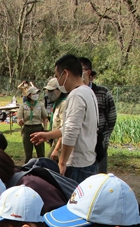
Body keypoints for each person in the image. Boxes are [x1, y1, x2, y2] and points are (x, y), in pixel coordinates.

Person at [30, 54, 99, 182]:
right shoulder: (88, 92)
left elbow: (71, 132)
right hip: (88, 161)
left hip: (76, 166)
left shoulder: (76, 95)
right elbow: (70, 127)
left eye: (57, 76)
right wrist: (49, 135)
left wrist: (62, 162)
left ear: (65, 73)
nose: (58, 81)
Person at [80, 58, 117, 173]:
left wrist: (104, 137)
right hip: (80, 144)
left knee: (100, 177)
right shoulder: (74, 93)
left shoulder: (103, 92)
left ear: (89, 73)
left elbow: (111, 117)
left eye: (80, 70)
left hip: (99, 141)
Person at [17, 86, 48, 162]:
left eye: (37, 93)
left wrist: (45, 129)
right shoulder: (23, 106)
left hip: (38, 128)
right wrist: (20, 122)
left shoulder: (40, 105)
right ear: (29, 95)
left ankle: (42, 167)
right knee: (28, 151)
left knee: (40, 151)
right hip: (27, 129)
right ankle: (28, 167)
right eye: (35, 93)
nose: (37, 95)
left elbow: (45, 118)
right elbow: (19, 119)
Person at [44, 77, 69, 162]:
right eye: (48, 91)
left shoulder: (64, 104)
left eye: (51, 91)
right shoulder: (57, 104)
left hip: (61, 146)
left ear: (59, 90)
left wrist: (56, 149)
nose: (49, 93)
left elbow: (64, 129)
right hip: (56, 143)